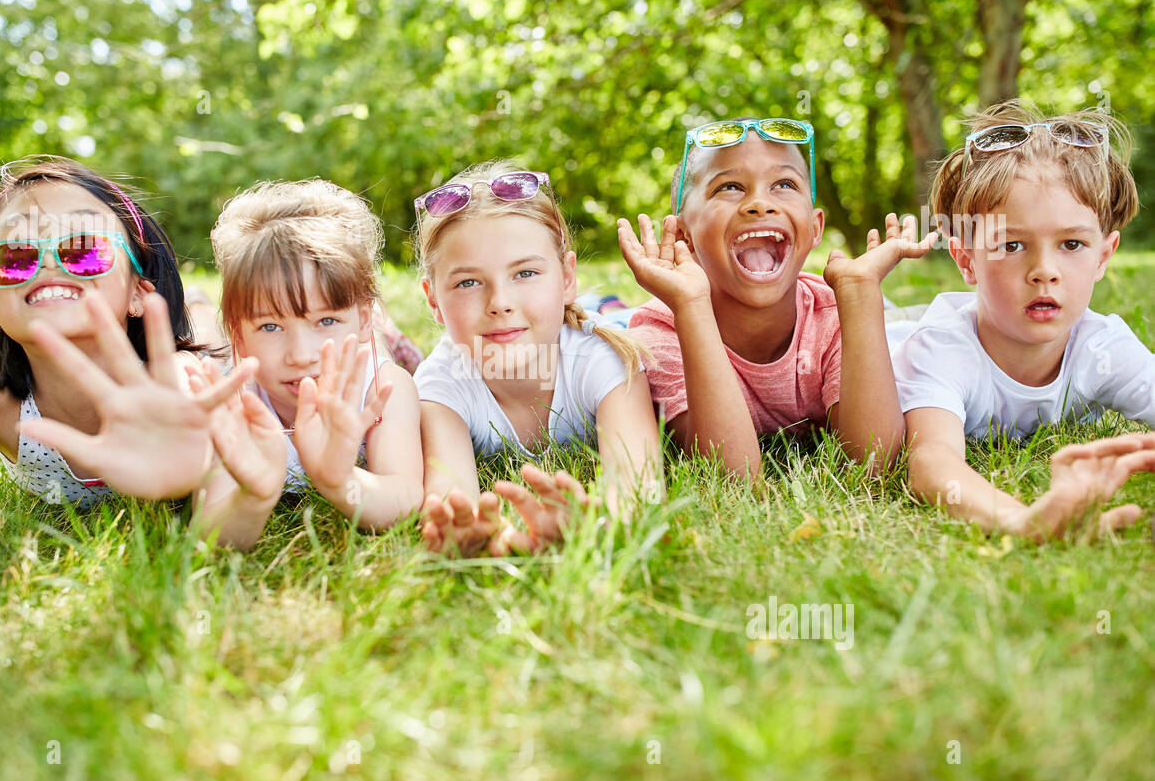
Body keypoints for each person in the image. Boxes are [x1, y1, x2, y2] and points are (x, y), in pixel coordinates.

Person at [0, 157, 250, 505]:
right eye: (15, 256)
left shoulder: (173, 378)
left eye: (84, 249)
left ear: (137, 292)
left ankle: (194, 305)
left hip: (186, 352)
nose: (48, 262)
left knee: (206, 338)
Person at [892, 100, 1155, 541]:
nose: (1044, 270)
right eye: (1012, 246)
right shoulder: (942, 348)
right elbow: (931, 463)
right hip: (882, 338)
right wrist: (1024, 522)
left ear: (1103, 256)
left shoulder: (1103, 349)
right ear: (967, 260)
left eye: (1072, 244)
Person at [621, 117, 937, 482]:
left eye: (784, 184)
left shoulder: (834, 313)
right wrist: (690, 304)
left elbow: (875, 462)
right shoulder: (661, 333)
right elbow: (732, 477)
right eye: (730, 186)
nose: (759, 203)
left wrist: (862, 293)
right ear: (684, 235)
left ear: (815, 227)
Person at [413, 161, 664, 556]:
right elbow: (449, 498)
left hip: (593, 323)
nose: (500, 303)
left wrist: (591, 528)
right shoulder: (440, 384)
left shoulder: (602, 358)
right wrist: (465, 531)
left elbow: (639, 488)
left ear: (566, 278)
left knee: (620, 317)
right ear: (434, 301)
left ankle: (608, 305)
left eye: (525, 273)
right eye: (468, 282)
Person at [190, 179, 424, 548]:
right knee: (206, 344)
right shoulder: (236, 405)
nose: (300, 355)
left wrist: (340, 480)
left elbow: (404, 499)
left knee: (385, 346)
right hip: (235, 358)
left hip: (367, 348)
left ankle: (378, 323)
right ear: (240, 335)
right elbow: (210, 534)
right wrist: (252, 497)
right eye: (270, 325)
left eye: (325, 321)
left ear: (361, 319)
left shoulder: (383, 389)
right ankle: (199, 304)